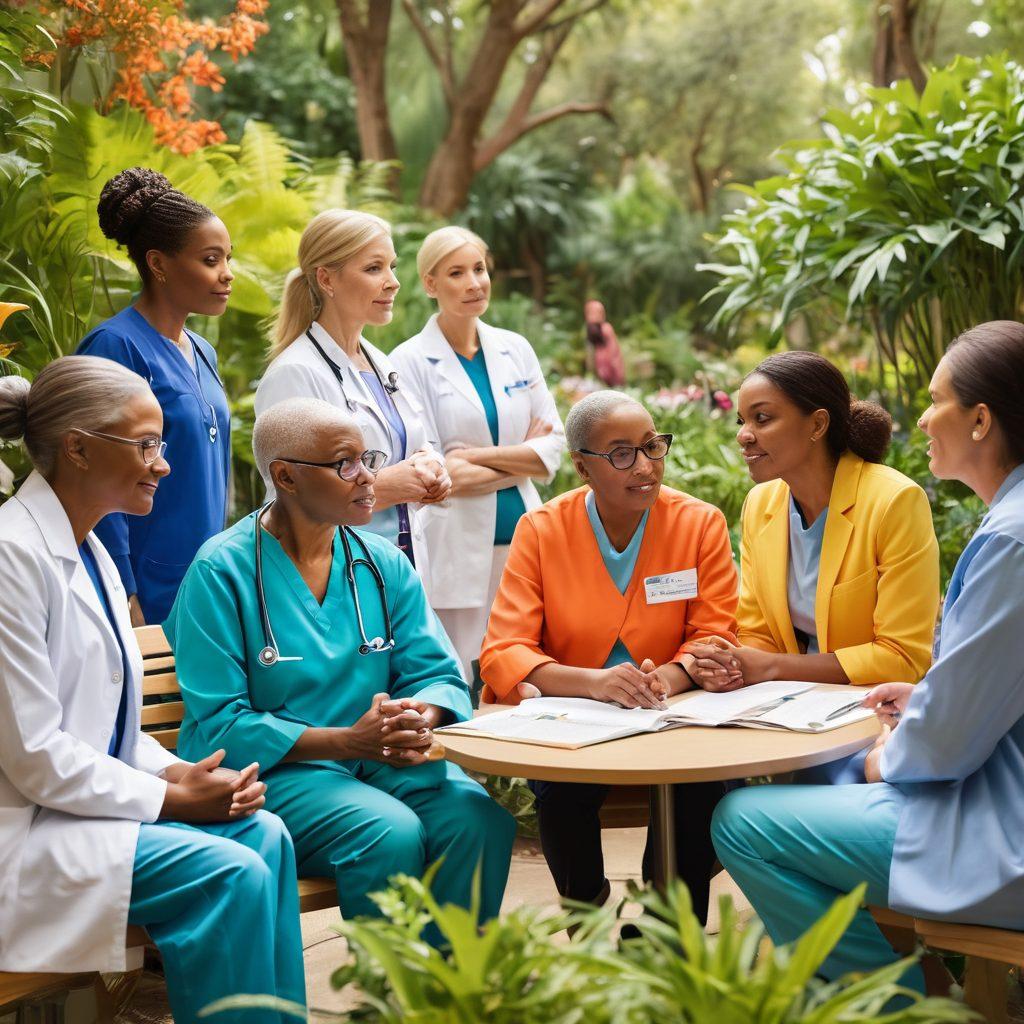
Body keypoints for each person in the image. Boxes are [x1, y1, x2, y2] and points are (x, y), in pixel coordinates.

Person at [712, 322, 1024, 993]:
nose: (921, 418)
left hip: (1002, 828)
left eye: (935, 401)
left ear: (980, 421)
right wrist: (928, 704)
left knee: (742, 824)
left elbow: (940, 733)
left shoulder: (1006, 539)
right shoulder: (1009, 526)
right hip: (964, 769)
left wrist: (889, 755)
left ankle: (901, 1004)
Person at [0, 357, 304, 1022]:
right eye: (145, 445)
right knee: (230, 874)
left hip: (78, 810)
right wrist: (170, 799)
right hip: (28, 834)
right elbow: (35, 753)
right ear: (78, 448)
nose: (163, 465)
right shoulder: (10, 556)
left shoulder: (91, 552)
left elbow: (108, 725)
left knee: (266, 835)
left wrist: (176, 771)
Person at [165, 397, 515, 939]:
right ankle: (389, 984)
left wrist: (417, 716)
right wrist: (349, 742)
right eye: (344, 464)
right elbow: (221, 723)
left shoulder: (381, 562)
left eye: (368, 459)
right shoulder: (221, 571)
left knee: (477, 819)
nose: (368, 477)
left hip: (376, 761)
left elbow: (435, 672)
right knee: (388, 833)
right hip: (275, 772)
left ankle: (449, 983)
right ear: (286, 476)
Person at [479, 391, 738, 920]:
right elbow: (505, 648)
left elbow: (714, 634)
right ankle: (587, 914)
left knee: (699, 787)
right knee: (560, 790)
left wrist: (667, 678)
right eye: (622, 454)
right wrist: (594, 684)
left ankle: (668, 925)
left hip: (675, 711)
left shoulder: (699, 523)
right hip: (574, 715)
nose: (645, 466)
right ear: (581, 466)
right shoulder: (541, 529)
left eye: (652, 446)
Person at [688, 352, 939, 781]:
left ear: (818, 425)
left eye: (762, 418)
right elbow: (758, 632)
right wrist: (731, 665)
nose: (744, 436)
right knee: (704, 774)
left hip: (872, 721)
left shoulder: (894, 501)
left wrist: (772, 667)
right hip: (788, 714)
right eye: (742, 421)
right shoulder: (761, 504)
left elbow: (901, 658)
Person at [390, 227, 566, 682]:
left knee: (525, 671)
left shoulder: (515, 349)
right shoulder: (408, 361)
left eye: (479, 269)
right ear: (430, 284)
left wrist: (479, 457)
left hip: (523, 534)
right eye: (456, 273)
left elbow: (552, 449)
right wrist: (519, 459)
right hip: (454, 544)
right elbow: (440, 472)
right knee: (459, 674)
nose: (474, 283)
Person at [76, 167, 233, 627]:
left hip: (206, 585)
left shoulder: (203, 351)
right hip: (144, 594)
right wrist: (123, 590)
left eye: (228, 258)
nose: (227, 274)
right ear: (159, 264)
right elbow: (95, 476)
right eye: (210, 260)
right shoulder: (115, 347)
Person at [255, 209, 450, 576]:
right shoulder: (294, 374)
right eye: (374, 268)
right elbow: (291, 495)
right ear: (326, 279)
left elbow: (416, 445)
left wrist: (434, 468)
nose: (393, 282)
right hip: (333, 574)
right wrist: (390, 485)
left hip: (399, 567)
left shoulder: (379, 362)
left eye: (392, 267)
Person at [583, 299, 625, 387]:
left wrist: (615, 366)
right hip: (600, 367)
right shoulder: (592, 330)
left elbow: (614, 351)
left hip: (607, 366)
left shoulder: (605, 328)